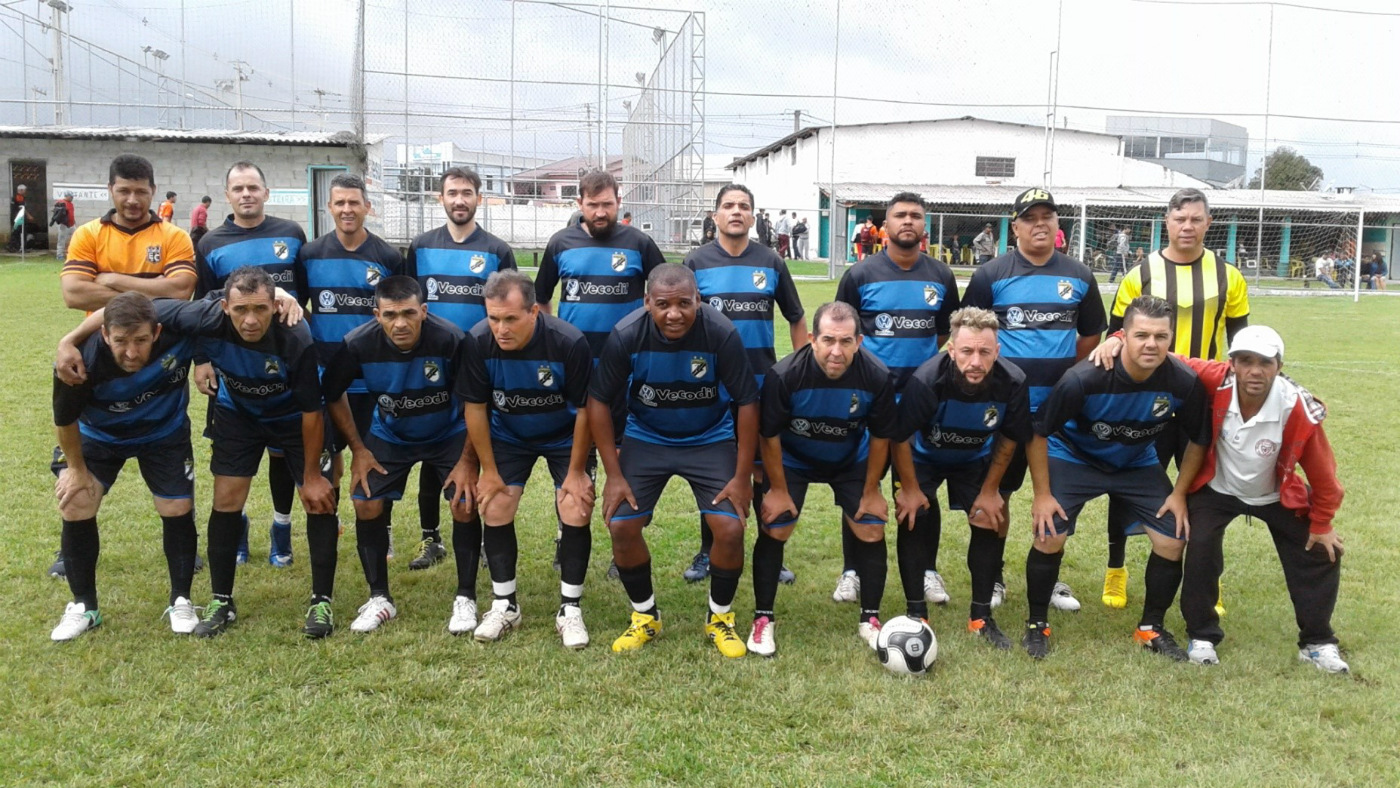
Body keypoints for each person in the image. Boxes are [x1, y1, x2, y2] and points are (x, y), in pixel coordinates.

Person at [57, 266, 333, 638]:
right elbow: (128, 310)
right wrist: (69, 339)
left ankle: (321, 601)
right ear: (223, 307)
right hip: (238, 414)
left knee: (318, 499)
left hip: (291, 417)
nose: (250, 320)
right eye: (239, 311)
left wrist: (314, 475)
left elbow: (313, 412)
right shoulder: (196, 315)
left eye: (260, 310)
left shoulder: (294, 333)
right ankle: (220, 600)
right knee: (226, 499)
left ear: (273, 307)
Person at [1090, 325, 1348, 673]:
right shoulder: (1216, 379)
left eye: (1265, 362)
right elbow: (1165, 355)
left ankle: (1317, 642)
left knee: (1321, 550)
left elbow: (1324, 475)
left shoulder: (1296, 407)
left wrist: (1322, 524)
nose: (1255, 371)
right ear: (1232, 364)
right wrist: (1118, 338)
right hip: (1217, 490)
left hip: (1274, 494)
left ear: (1279, 365)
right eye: (1246, 361)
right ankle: (1202, 635)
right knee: (1199, 549)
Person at [1023, 295, 1209, 660]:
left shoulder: (1183, 381)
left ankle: (1150, 628)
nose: (1151, 344)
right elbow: (1039, 432)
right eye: (1141, 335)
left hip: (1136, 462)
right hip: (1073, 456)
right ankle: (1036, 624)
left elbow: (1200, 438)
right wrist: (1042, 494)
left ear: (1171, 338)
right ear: (1123, 335)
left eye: (1160, 336)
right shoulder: (1084, 378)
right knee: (1050, 535)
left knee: (1173, 540)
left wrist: (1179, 493)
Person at [587, 264, 758, 657]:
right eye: (663, 304)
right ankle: (645, 616)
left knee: (730, 529)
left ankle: (720, 619)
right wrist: (613, 474)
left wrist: (741, 475)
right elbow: (597, 400)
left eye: (684, 303)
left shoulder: (721, 333)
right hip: (647, 437)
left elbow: (748, 402)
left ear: (699, 300)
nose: (674, 313)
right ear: (647, 302)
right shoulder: (626, 334)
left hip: (709, 438)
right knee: (622, 524)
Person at [961, 187, 1107, 613]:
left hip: (1057, 415)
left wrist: (1065, 385)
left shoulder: (1079, 276)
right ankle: (994, 577)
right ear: (1016, 226)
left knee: (1056, 498)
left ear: (1058, 225)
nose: (1040, 223)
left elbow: (1090, 336)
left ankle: (1052, 576)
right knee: (998, 494)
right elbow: (970, 336)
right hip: (1004, 412)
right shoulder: (991, 275)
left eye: (1048, 216)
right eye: (1030, 217)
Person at [1105, 187, 1249, 611]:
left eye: (1196, 219)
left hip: (1199, 400)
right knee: (1127, 483)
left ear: (1208, 223)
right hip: (1144, 398)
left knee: (1207, 494)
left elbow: (1240, 347)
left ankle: (1209, 580)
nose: (1188, 227)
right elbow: (1117, 334)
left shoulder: (1229, 276)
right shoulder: (1140, 274)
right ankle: (1116, 571)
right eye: (1180, 218)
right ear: (1166, 222)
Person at [54, 154, 197, 580]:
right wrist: (143, 289)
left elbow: (181, 291)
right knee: (77, 474)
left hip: (156, 354)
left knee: (170, 466)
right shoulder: (89, 234)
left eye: (140, 191)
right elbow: (74, 294)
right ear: (110, 190)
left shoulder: (173, 236)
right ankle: (70, 553)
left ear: (153, 191)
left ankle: (183, 549)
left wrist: (113, 280)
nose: (132, 199)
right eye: (124, 190)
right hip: (102, 353)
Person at [322, 275, 475, 635]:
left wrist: (468, 461)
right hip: (390, 433)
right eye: (390, 315)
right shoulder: (357, 343)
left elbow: (474, 400)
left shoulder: (451, 339)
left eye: (409, 313)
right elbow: (331, 393)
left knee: (465, 502)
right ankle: (380, 598)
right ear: (376, 314)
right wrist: (358, 449)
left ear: (424, 311)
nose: (400, 323)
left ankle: (466, 597)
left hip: (447, 432)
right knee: (366, 502)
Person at [47, 292, 200, 641]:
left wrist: (281, 294)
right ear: (104, 334)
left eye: (142, 341)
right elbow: (65, 419)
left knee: (176, 506)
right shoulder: (77, 361)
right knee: (76, 501)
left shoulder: (177, 324)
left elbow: (226, 302)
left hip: (164, 432)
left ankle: (181, 599)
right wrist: (76, 469)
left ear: (157, 332)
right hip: (99, 436)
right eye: (120, 341)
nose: (131, 352)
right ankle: (85, 606)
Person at [456, 271, 597, 647]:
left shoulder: (569, 342)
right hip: (509, 434)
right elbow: (475, 407)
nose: (500, 328)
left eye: (511, 319)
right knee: (496, 505)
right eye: (493, 318)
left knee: (575, 507)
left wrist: (577, 471)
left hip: (565, 436)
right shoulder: (477, 341)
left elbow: (586, 411)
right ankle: (505, 604)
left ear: (534, 311)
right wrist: (487, 470)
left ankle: (570, 609)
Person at [748, 301, 896, 655]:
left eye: (846, 342)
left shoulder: (877, 375)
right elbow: (768, 436)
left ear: (859, 341)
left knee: (871, 525)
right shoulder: (784, 375)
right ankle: (763, 618)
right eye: (828, 340)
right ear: (811, 339)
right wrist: (779, 490)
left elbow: (880, 438)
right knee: (776, 524)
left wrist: (872, 489)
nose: (836, 351)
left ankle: (870, 619)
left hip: (849, 459)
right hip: (793, 459)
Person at [834, 192, 959, 606]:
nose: (909, 221)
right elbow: (846, 329)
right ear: (884, 226)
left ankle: (925, 570)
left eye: (916, 216)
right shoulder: (860, 274)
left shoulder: (941, 275)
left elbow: (943, 334)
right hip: (869, 400)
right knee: (860, 485)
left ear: (925, 226)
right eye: (900, 215)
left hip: (921, 402)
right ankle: (852, 570)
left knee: (919, 487)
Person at [680, 183, 807, 585]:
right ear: (715, 216)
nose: (736, 212)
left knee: (765, 471)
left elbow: (796, 316)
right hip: (711, 388)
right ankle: (707, 551)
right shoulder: (695, 262)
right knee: (716, 472)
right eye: (728, 206)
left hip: (760, 386)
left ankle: (771, 550)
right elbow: (681, 320)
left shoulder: (771, 261)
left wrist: (803, 367)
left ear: (753, 217)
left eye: (744, 206)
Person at [892, 306, 1032, 650]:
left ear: (997, 352)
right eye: (967, 351)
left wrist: (990, 491)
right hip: (921, 457)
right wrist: (909, 489)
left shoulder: (1013, 381)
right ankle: (916, 614)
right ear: (951, 349)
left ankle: (981, 617)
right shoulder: (926, 380)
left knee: (990, 518)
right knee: (913, 517)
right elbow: (898, 437)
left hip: (973, 458)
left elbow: (1011, 438)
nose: (975, 361)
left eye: (985, 352)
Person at [195, 161, 309, 568]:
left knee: (282, 454)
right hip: (234, 365)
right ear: (227, 194)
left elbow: (302, 294)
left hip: (283, 364)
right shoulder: (210, 243)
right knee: (235, 454)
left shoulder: (291, 234)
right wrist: (203, 359)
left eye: (253, 187)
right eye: (238, 188)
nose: (246, 194)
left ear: (266, 192)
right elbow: (204, 303)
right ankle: (237, 525)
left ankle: (282, 528)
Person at [404, 166, 515, 571]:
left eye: (467, 193)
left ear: (478, 198)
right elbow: (410, 304)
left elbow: (509, 305)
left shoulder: (497, 249)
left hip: (482, 365)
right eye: (452, 193)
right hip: (433, 364)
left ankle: (488, 534)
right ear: (441, 198)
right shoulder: (420, 246)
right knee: (436, 450)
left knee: (484, 448)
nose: (460, 200)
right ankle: (431, 537)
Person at [295, 173, 405, 557]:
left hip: (374, 380)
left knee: (376, 458)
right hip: (327, 378)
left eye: (354, 202)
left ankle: (383, 527)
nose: (347, 209)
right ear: (329, 207)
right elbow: (294, 307)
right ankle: (329, 526)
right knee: (328, 458)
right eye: (339, 203)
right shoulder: (309, 255)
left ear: (367, 207)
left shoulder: (388, 257)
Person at [49, 191, 76, 260]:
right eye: (71, 197)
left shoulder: (71, 204)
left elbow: (71, 214)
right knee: (61, 240)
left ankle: (74, 253)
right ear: (67, 196)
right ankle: (59, 255)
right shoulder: (61, 203)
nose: (72, 198)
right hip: (63, 224)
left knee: (76, 237)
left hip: (72, 224)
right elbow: (57, 214)